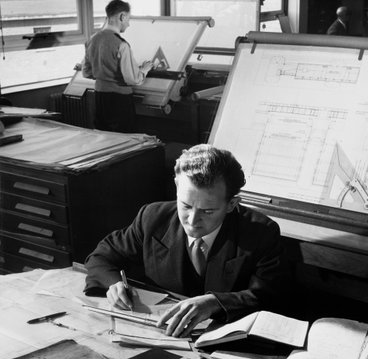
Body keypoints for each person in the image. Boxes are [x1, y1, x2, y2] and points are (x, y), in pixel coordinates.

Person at [84, 144, 289, 338]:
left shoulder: (261, 232)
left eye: (207, 211)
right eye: (186, 206)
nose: (192, 221)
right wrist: (114, 284)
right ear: (176, 185)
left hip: (224, 341)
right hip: (158, 334)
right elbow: (102, 256)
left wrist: (215, 302)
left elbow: (270, 297)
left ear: (231, 204)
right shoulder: (153, 217)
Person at [82, 0, 153, 133]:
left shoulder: (92, 40)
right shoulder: (122, 45)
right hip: (119, 100)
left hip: (99, 97)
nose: (129, 24)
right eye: (128, 19)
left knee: (104, 135)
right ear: (122, 16)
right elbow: (133, 79)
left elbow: (86, 72)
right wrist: (144, 70)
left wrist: (103, 72)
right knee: (125, 138)